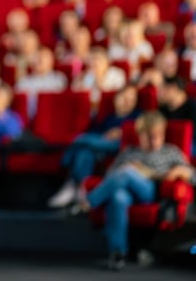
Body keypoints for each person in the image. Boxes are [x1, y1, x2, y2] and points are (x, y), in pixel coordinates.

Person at [78, 111, 196, 270]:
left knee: (126, 172)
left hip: (151, 191)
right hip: (127, 192)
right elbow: (110, 177)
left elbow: (193, 175)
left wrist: (183, 171)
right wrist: (131, 170)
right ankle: (118, 252)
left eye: (158, 135)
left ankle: (88, 203)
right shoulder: (129, 152)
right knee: (118, 197)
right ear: (140, 135)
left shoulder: (171, 151)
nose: (154, 140)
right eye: (149, 136)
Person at [47, 85, 140, 208]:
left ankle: (66, 160)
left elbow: (139, 131)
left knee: (83, 139)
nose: (128, 101)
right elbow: (95, 133)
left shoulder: (136, 116)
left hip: (120, 145)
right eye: (125, 97)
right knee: (85, 151)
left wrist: (121, 131)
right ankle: (81, 188)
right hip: (98, 148)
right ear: (116, 99)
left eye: (132, 99)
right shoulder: (108, 118)